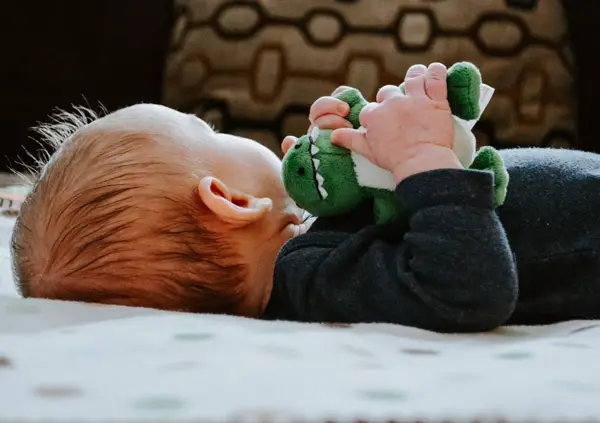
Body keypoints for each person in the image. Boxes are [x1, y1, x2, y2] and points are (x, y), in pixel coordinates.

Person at [11, 63, 600, 333]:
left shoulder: (312, 248)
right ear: (229, 200)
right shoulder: (312, 283)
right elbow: (468, 291)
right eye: (209, 132)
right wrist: (423, 159)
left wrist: (366, 154)